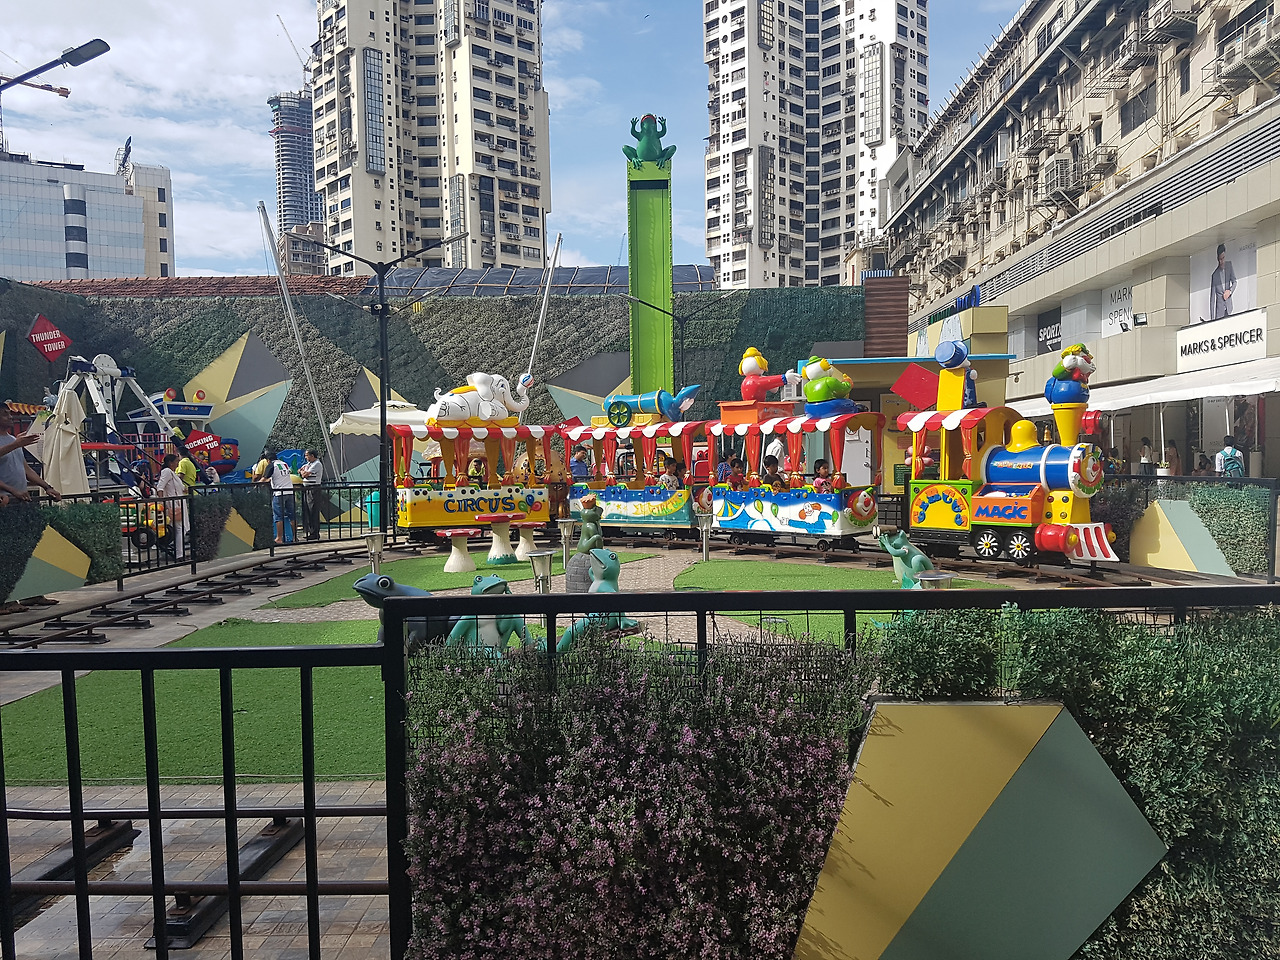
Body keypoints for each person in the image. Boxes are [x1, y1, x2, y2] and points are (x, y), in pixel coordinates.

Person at [0, 407, 61, 614]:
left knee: (25, 549)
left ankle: (31, 592)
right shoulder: (13, 442)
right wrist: (12, 490)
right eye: (4, 414)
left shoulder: (13, 440)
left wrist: (47, 486)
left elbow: (25, 469)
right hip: (6, 502)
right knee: (7, 552)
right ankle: (5, 599)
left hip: (20, 502)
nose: (10, 417)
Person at [257, 449, 297, 544]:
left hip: (279, 493)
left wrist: (256, 486)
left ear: (268, 459)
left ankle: (279, 538)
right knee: (292, 515)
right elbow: (278, 477)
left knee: (278, 516)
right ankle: (295, 537)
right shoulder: (284, 464)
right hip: (289, 491)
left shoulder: (271, 465)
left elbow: (264, 478)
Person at [155, 453, 188, 560]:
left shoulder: (172, 473)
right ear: (170, 463)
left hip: (177, 502)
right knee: (179, 528)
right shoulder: (167, 471)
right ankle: (179, 554)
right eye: (176, 462)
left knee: (178, 528)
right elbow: (160, 487)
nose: (178, 464)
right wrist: (162, 502)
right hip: (173, 504)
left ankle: (179, 553)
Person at [299, 448, 324, 541]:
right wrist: (302, 472)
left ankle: (315, 532)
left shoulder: (317, 464)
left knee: (313, 510)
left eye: (307, 455)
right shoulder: (309, 464)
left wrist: (302, 472)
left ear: (312, 456)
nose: (306, 457)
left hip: (314, 489)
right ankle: (311, 531)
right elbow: (300, 470)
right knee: (308, 510)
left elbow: (305, 474)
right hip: (307, 488)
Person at [1211, 242, 1237, 320]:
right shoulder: (1214, 275)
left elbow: (1234, 281)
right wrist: (1212, 319)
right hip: (1219, 312)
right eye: (1220, 259)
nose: (1221, 261)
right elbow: (1212, 299)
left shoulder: (1229, 265)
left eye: (1223, 258)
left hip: (1229, 308)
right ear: (1217, 258)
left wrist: (1230, 291)